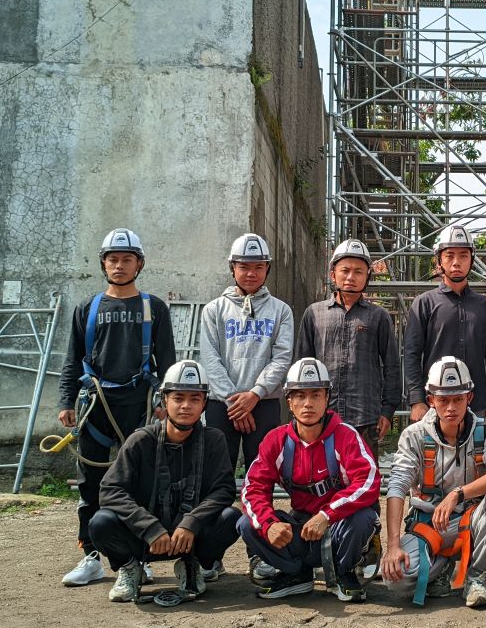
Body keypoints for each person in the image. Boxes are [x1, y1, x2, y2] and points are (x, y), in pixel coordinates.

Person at [58, 228, 176, 587]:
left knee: (140, 482)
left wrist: (166, 403)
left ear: (139, 264)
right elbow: (73, 359)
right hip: (95, 405)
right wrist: (65, 401)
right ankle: (91, 555)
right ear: (103, 264)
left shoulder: (153, 308)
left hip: (138, 404)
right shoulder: (87, 308)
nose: (119, 265)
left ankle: (139, 556)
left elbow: (167, 361)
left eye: (127, 259)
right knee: (89, 483)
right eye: (113, 259)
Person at [88, 360, 241, 603]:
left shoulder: (214, 440)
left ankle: (192, 564)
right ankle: (130, 566)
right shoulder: (140, 441)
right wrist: (149, 527)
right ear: (164, 400)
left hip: (190, 538)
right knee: (101, 522)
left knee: (231, 518)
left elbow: (224, 490)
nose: (186, 406)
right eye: (178, 398)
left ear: (204, 404)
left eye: (195, 399)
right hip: (145, 539)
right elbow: (111, 490)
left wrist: (192, 522)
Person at [238, 358, 382, 602]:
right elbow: (253, 489)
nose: (308, 403)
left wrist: (327, 515)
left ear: (327, 399)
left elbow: (368, 482)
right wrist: (269, 524)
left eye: (316, 395)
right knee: (246, 523)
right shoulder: (276, 441)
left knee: (364, 517)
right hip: (302, 529)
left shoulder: (345, 436)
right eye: (300, 396)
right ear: (289, 402)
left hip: (339, 528)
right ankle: (296, 575)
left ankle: (345, 572)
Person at [381, 357, 486, 608]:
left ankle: (476, 577)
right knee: (395, 578)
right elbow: (397, 486)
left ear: (469, 397)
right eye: (443, 400)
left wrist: (457, 494)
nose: (451, 407)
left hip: (475, 520)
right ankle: (441, 567)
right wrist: (394, 545)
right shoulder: (415, 435)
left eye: (458, 399)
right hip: (432, 526)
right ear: (431, 400)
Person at [296, 239, 402, 457]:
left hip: (365, 417)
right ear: (333, 274)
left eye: (358, 271)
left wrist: (388, 410)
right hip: (321, 417)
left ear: (367, 276)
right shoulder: (314, 314)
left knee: (364, 473)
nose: (351, 277)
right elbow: (301, 365)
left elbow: (392, 365)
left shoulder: (378, 316)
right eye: (345, 270)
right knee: (320, 472)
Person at [199, 233, 293, 474]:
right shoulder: (214, 310)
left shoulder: (281, 311)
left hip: (264, 403)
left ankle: (258, 504)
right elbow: (210, 359)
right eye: (244, 267)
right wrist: (234, 402)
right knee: (218, 472)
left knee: (262, 472)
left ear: (267, 269)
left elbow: (282, 358)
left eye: (258, 267)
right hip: (222, 404)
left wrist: (255, 394)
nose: (251, 273)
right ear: (232, 268)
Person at [404, 224, 486, 425]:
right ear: (438, 260)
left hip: (477, 405)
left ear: (472, 260)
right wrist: (417, 400)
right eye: (449, 256)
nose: (456, 262)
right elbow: (411, 355)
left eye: (463, 256)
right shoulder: (424, 304)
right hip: (434, 405)